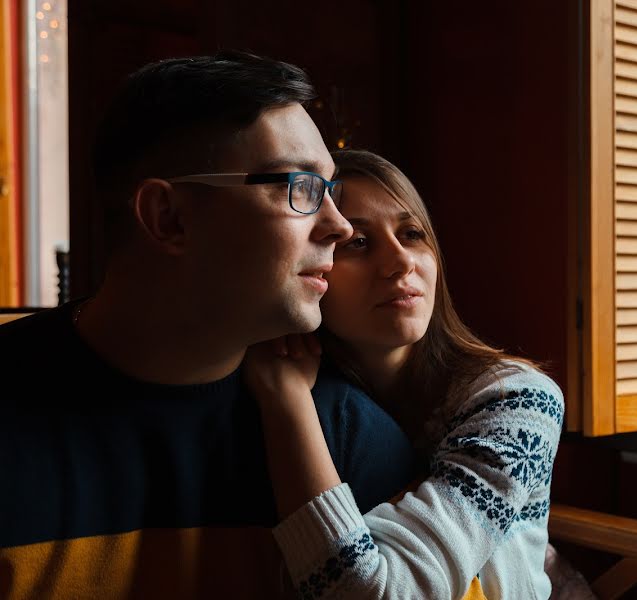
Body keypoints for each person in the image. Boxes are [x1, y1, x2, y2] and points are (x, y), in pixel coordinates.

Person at [0, 52, 415, 599]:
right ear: (168, 218)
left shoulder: (343, 436)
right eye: (301, 187)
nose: (338, 226)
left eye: (330, 190)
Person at [246, 150, 565, 599]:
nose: (400, 262)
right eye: (357, 242)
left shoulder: (518, 400)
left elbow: (390, 594)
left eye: (412, 234)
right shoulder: (325, 402)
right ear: (314, 270)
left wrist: (287, 401)